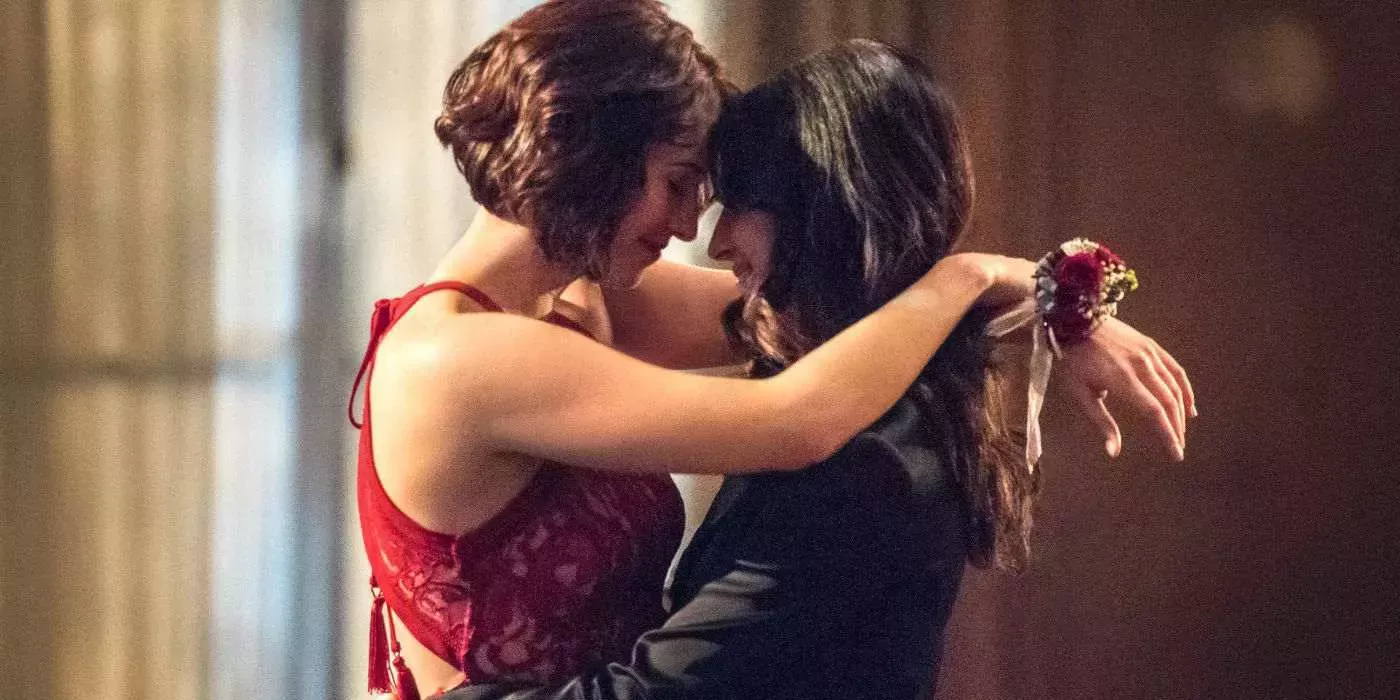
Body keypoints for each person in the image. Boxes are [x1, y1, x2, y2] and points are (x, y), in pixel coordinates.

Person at [352, 2, 1192, 697]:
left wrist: (1064, 300)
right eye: (677, 183)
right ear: (592, 157)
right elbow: (795, 419)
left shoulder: (588, 301)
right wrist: (973, 273)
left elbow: (844, 300)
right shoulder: (458, 358)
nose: (694, 227)